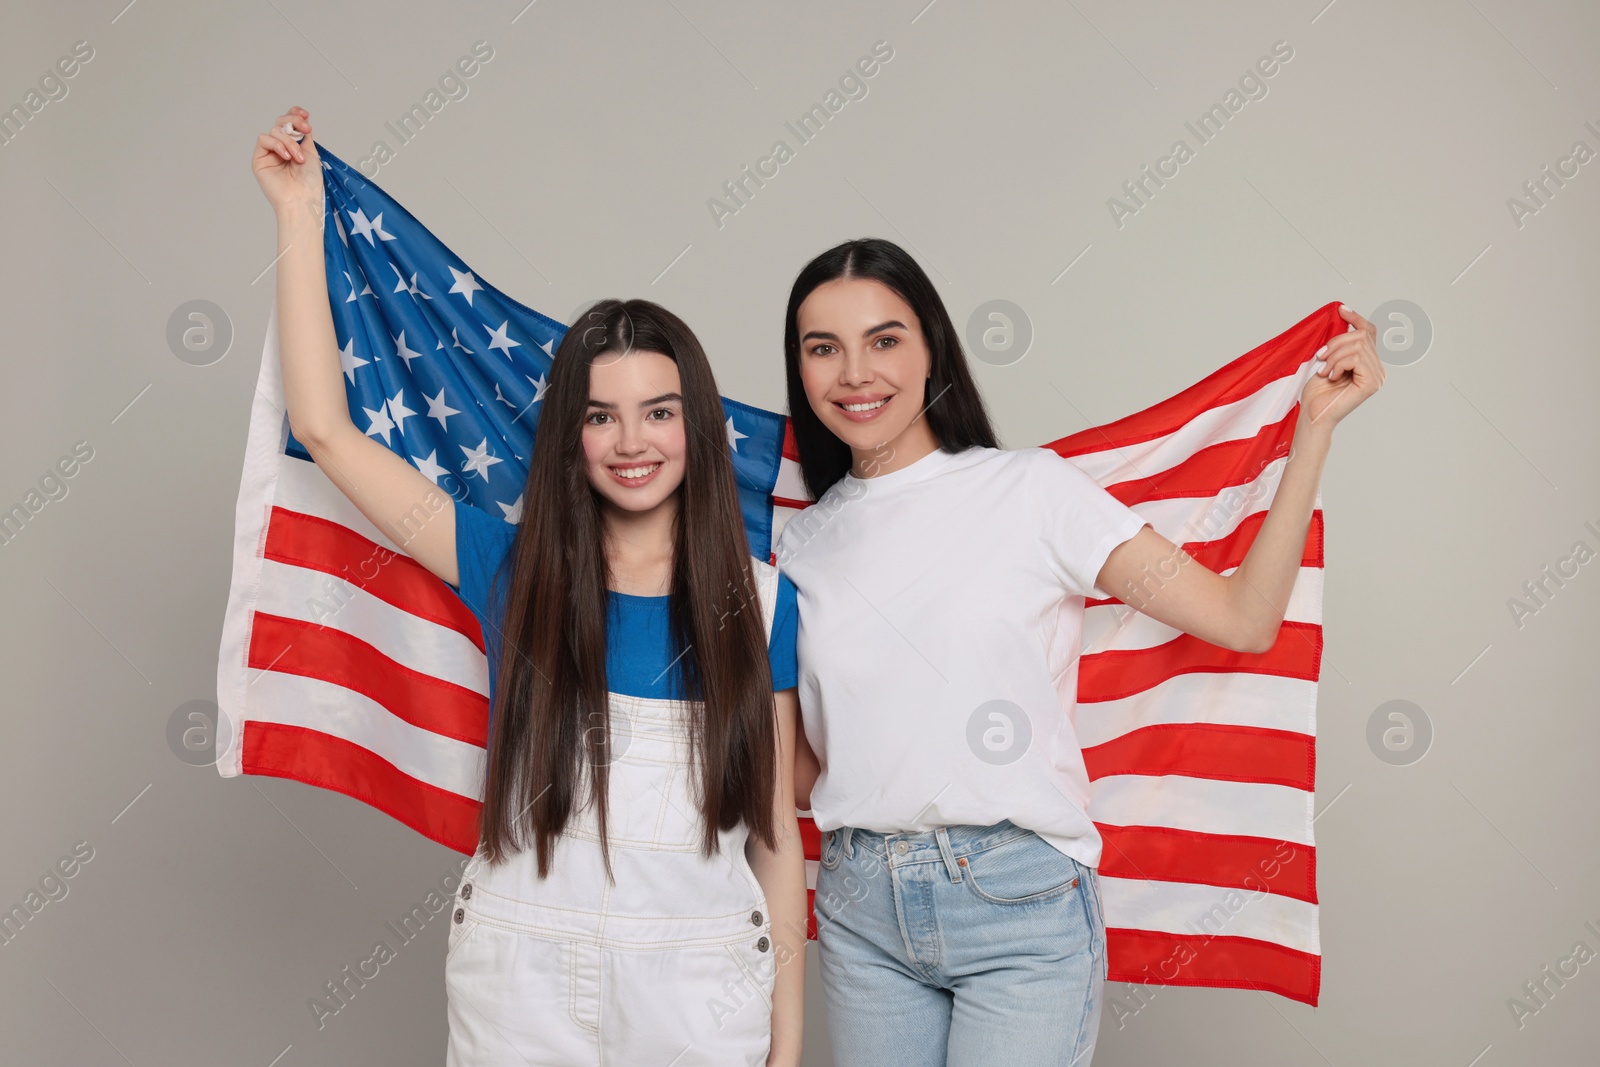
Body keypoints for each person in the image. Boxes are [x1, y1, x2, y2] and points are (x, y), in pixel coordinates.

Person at [252, 106, 807, 1067]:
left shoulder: (761, 604)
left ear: (697, 424)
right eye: (601, 416)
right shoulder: (508, 566)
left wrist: (787, 1048)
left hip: (701, 979)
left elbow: (776, 839)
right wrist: (299, 214)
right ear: (572, 436)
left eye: (659, 412)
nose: (632, 442)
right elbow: (328, 429)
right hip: (522, 976)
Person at [775, 237, 1382, 1065]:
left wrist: (1312, 434)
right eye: (824, 348)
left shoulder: (1032, 490)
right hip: (859, 905)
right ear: (801, 371)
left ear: (930, 352)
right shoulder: (803, 545)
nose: (855, 371)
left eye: (884, 339)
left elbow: (1243, 620)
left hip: (1014, 900)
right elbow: (808, 774)